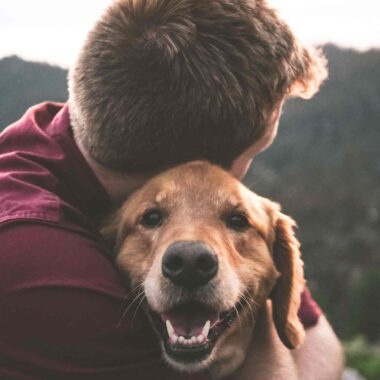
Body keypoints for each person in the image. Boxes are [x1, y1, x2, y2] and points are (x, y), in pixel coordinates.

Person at [0, 0, 343, 379]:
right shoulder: (40, 265)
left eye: (231, 217)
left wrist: (260, 299)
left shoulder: (95, 124)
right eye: (255, 152)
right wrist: (258, 311)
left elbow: (318, 338)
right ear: (195, 162)